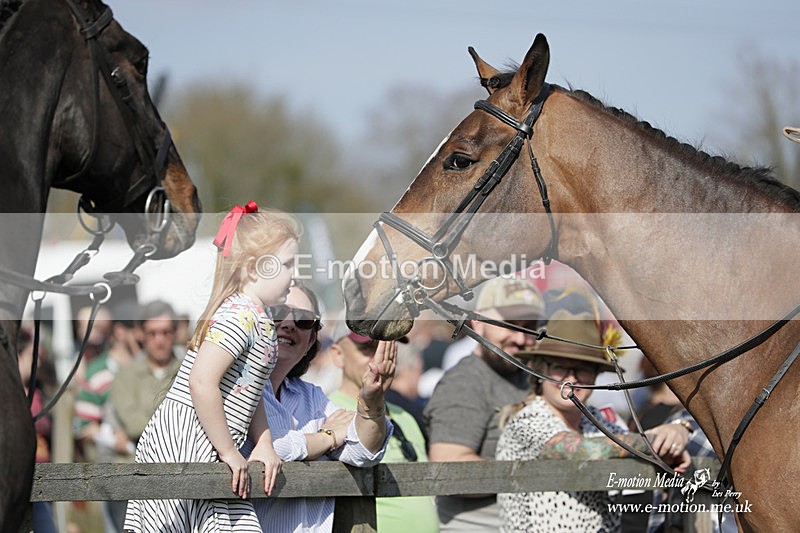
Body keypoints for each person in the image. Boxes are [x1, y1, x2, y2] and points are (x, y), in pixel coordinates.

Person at [123, 202, 294, 532]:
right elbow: (201, 382)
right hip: (187, 439)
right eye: (286, 264)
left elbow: (251, 386)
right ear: (255, 268)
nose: (293, 274)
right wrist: (229, 451)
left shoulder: (259, 319)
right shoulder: (238, 316)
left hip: (212, 439)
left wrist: (263, 443)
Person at [496, 310, 691, 533]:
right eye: (559, 367)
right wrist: (658, 441)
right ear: (541, 372)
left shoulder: (597, 420)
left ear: (596, 376)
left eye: (583, 369)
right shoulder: (526, 421)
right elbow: (581, 450)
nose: (571, 378)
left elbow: (634, 448)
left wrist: (677, 433)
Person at [247, 282, 395, 532]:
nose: (289, 323)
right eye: (278, 312)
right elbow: (265, 450)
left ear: (311, 340)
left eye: (304, 319)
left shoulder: (312, 396)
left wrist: (372, 400)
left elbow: (363, 452)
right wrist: (326, 437)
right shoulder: (235, 385)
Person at [423, 275, 546, 531]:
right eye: (511, 325)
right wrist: (540, 473)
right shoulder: (465, 382)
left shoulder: (528, 375)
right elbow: (449, 467)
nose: (521, 339)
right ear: (477, 323)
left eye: (530, 327)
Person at [329, 322, 439, 533]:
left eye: (389, 346)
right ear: (338, 354)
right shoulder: (328, 411)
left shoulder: (404, 415)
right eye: (368, 347)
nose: (380, 357)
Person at [17, 326, 58, 533]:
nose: (38, 363)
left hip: (43, 476)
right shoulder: (10, 395)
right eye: (32, 357)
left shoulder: (41, 390)